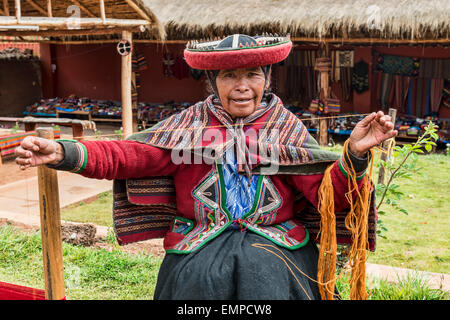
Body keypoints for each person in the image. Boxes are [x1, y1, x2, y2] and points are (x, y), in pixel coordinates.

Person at [15, 34, 396, 300]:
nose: (242, 85)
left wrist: (355, 155)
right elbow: (129, 154)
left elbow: (328, 196)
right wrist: (63, 152)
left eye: (252, 74)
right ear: (213, 82)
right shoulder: (188, 126)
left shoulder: (285, 128)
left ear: (266, 79)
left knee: (265, 279)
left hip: (275, 243)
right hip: (200, 241)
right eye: (230, 75)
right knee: (199, 285)